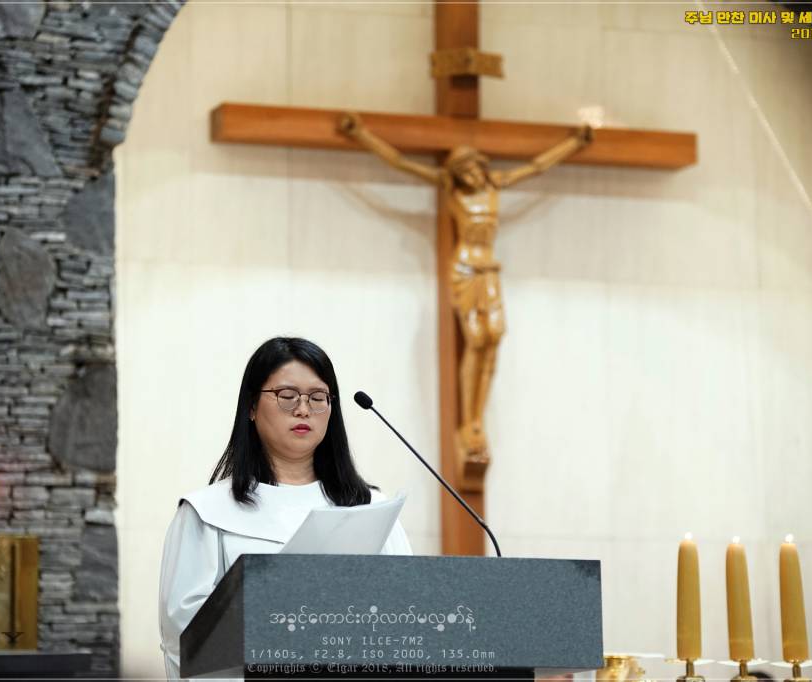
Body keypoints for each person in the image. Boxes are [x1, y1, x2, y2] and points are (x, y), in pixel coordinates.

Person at [338, 113, 592, 468]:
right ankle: (469, 421)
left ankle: (476, 419)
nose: (471, 175)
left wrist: (574, 143)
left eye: (474, 168)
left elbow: (537, 167)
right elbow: (400, 162)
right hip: (465, 270)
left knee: (494, 337)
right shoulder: (452, 190)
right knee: (476, 339)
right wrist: (362, 135)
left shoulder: (495, 185)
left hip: (490, 271)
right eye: (464, 171)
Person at [158, 337, 413, 680]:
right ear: (251, 406)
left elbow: (408, 616)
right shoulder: (207, 514)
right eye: (287, 396)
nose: (303, 409)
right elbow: (184, 633)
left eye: (318, 398)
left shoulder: (372, 510)